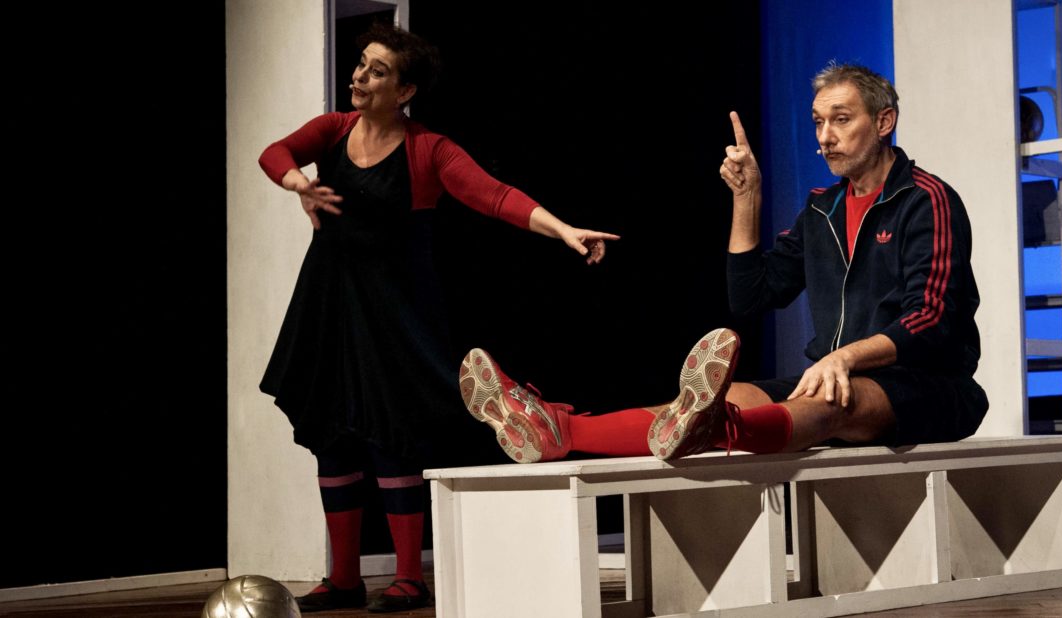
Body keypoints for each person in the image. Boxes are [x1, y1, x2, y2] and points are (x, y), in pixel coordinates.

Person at [258, 24, 618, 613]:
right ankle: (343, 578)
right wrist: (297, 181)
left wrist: (562, 229)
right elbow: (274, 154)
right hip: (329, 305)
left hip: (395, 311)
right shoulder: (334, 129)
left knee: (394, 435)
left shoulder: (428, 149)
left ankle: (409, 576)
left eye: (377, 71)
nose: (360, 76)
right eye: (361, 64)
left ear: (405, 91)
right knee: (331, 434)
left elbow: (495, 196)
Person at [459, 63, 986, 464]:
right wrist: (746, 197)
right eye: (818, 122)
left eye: (841, 120)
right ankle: (561, 430)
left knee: (830, 403)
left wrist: (844, 358)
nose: (825, 136)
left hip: (929, 385)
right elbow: (751, 296)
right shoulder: (821, 209)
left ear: (884, 121)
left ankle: (717, 430)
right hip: (834, 375)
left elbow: (931, 317)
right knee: (727, 397)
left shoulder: (926, 199)